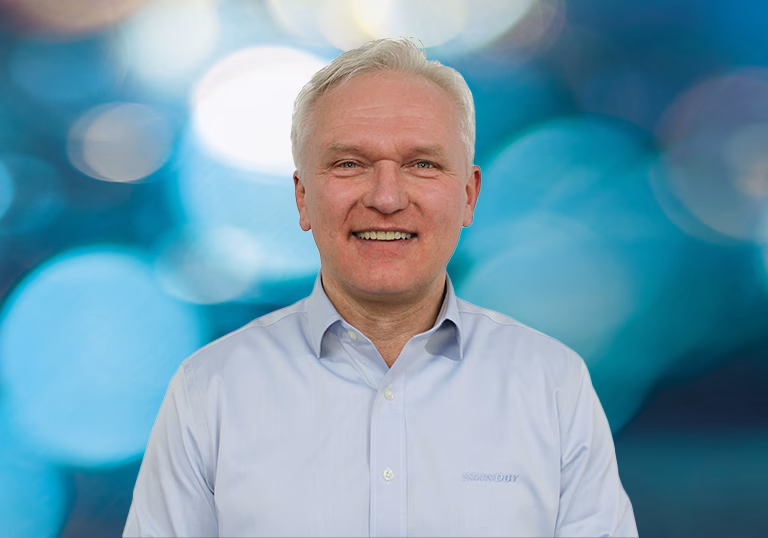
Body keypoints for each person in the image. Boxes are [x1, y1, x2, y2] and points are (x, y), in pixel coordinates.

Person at [124, 37, 637, 537]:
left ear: (469, 196)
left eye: (422, 164)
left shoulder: (552, 385)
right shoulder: (210, 391)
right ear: (302, 198)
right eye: (350, 164)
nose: (387, 197)